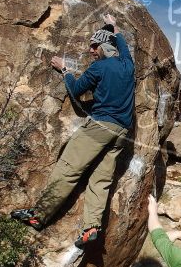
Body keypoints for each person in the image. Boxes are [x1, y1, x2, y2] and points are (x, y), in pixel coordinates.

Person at [11, 14, 134, 247]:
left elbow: (76, 89)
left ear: (103, 47)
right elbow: (122, 42)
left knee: (68, 169)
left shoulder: (98, 68)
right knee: (101, 180)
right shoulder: (128, 65)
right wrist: (113, 24)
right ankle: (91, 229)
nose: (90, 50)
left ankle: (39, 215)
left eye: (94, 46)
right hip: (121, 132)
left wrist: (65, 69)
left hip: (99, 126)